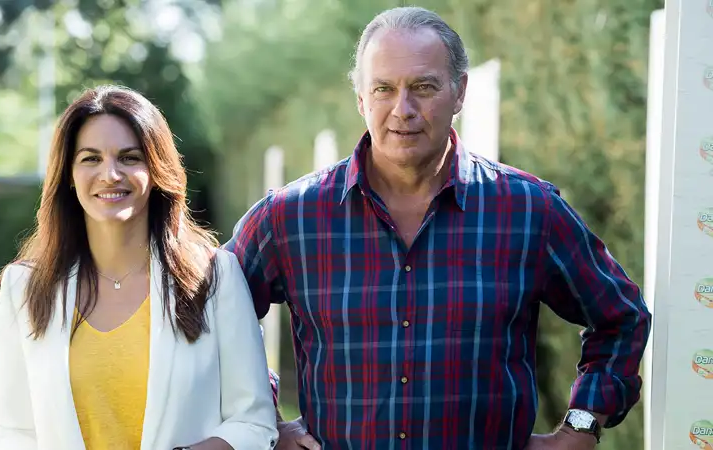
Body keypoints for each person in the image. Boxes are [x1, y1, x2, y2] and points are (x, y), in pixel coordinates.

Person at [224, 6, 651, 450]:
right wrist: (265, 421)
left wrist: (581, 428)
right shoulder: (290, 217)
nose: (402, 110)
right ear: (361, 100)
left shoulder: (528, 210)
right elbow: (212, 314)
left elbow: (621, 317)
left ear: (459, 91)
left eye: (423, 87)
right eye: (383, 89)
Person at [0, 85, 278, 450]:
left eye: (129, 157)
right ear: (68, 176)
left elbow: (253, 420)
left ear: (156, 171)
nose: (110, 174)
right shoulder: (24, 287)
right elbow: (11, 431)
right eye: (90, 158)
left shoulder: (216, 276)